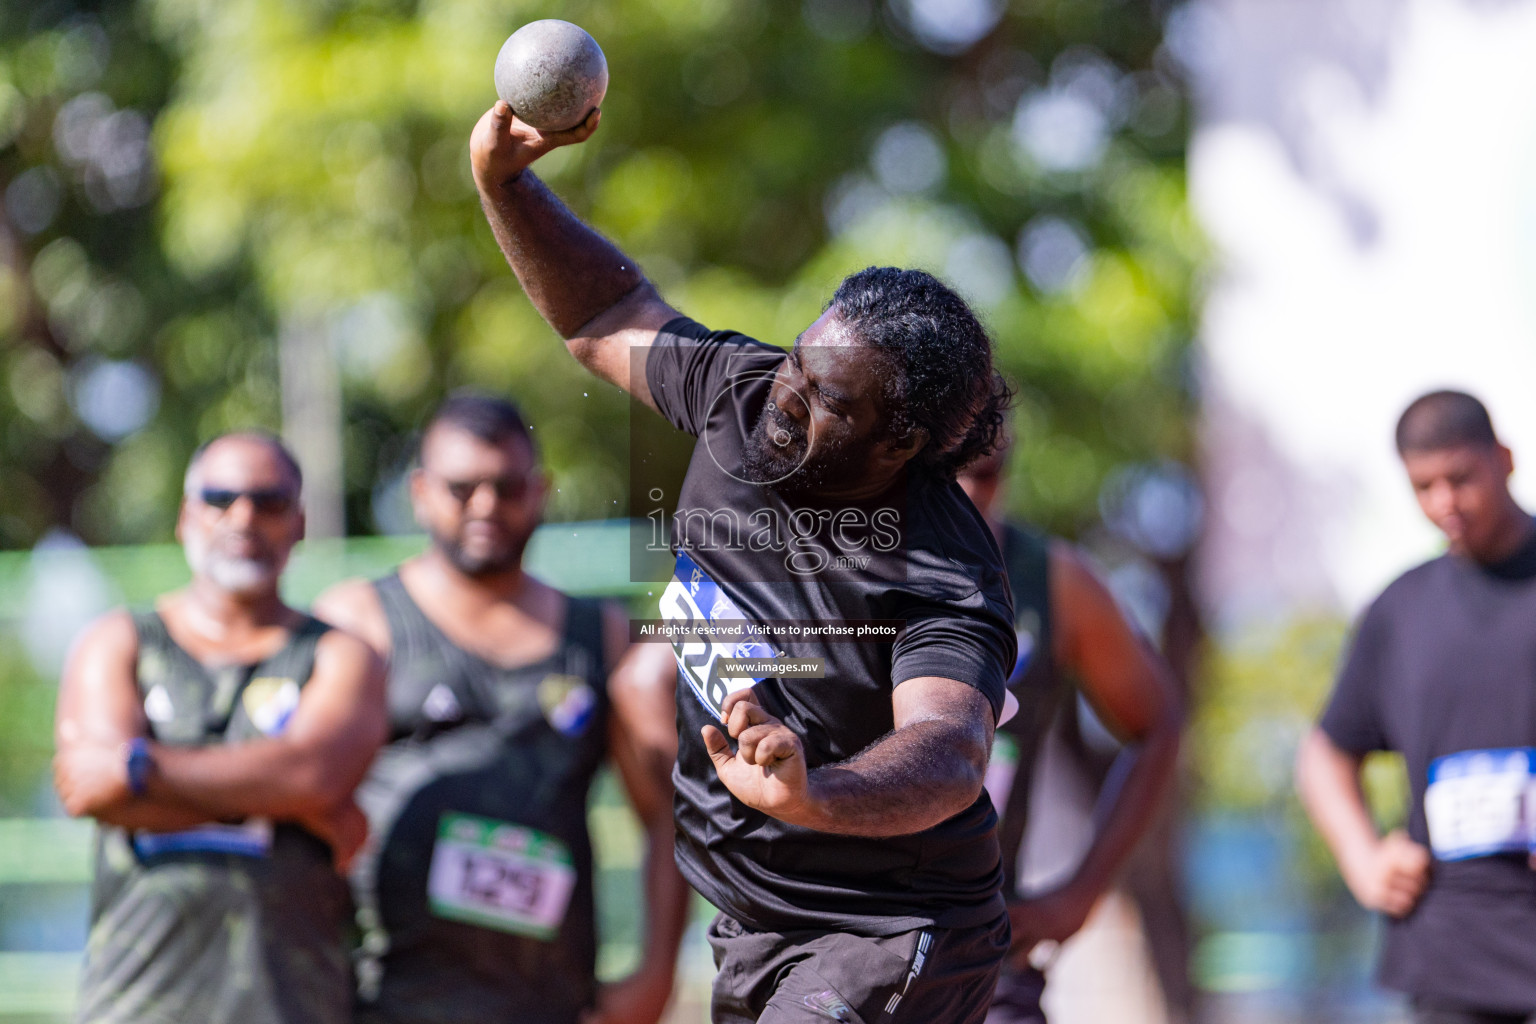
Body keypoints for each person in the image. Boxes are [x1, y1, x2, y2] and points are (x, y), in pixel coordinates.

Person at [467, 99, 1017, 1024]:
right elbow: (605, 313)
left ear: (901, 439)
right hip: (753, 926)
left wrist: (818, 793)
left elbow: (952, 749)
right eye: (798, 362)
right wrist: (506, 184)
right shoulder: (743, 394)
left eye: (827, 399)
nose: (786, 399)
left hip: (892, 928)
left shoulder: (944, 569)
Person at [313, 393, 689, 1024]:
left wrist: (654, 978)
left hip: (550, 1004)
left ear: (539, 491)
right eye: (463, 488)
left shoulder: (601, 637)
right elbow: (300, 796)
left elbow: (666, 813)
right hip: (383, 999)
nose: (486, 505)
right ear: (421, 492)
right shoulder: (359, 622)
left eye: (507, 486)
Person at [53, 432, 387, 1024]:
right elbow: (91, 788)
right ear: (186, 517)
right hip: (133, 1004)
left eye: (270, 501)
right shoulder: (120, 641)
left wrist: (142, 769)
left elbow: (313, 772)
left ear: (301, 523)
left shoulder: (341, 654)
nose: (244, 516)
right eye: (220, 497)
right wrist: (283, 795)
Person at [1296, 390, 1536, 1024]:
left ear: (1505, 459)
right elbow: (1326, 751)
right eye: (1424, 486)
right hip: (1448, 952)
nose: (1445, 503)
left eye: (1461, 478)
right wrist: (1362, 857)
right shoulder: (1400, 612)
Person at [956, 444, 1184, 1023]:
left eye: (986, 472)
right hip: (843, 953)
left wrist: (1079, 895)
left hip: (985, 957)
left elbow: (1157, 722)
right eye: (936, 471)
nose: (965, 495)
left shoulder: (1051, 578)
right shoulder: (834, 558)